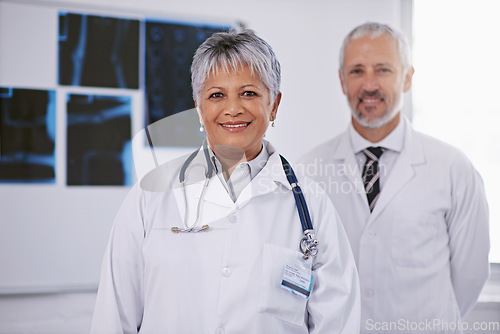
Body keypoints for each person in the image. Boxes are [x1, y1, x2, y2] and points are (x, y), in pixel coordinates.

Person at [90, 29, 360, 333]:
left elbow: (338, 324)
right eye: (216, 95)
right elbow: (113, 319)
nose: (233, 108)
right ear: (199, 107)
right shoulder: (150, 195)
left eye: (249, 93)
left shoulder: (313, 205)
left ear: (274, 104)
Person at [299, 22, 490, 333]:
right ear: (341, 80)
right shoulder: (308, 170)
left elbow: (470, 276)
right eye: (357, 70)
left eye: (383, 69)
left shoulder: (453, 168)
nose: (369, 84)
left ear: (407, 78)